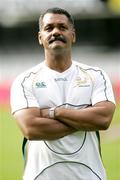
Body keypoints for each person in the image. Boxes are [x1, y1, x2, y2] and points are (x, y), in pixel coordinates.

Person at [10, 7, 116, 180]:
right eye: (49, 28)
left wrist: (54, 113)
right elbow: (31, 128)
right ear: (40, 37)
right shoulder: (25, 80)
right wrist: (84, 119)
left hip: (90, 175)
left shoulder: (96, 75)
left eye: (62, 27)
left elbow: (103, 120)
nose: (56, 32)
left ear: (73, 35)